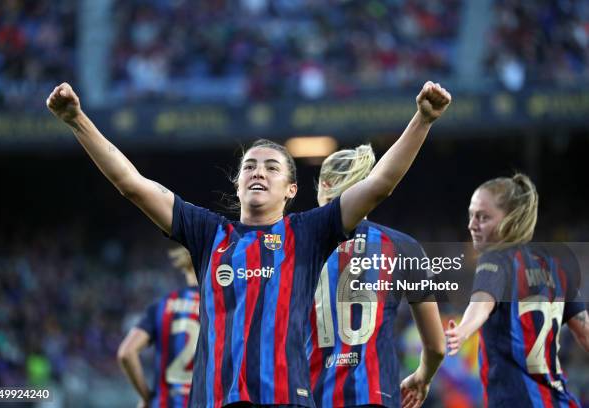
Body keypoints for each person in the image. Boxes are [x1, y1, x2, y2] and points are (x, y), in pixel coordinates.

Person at [46, 80, 451, 407]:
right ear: (237, 184)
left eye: (272, 167)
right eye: (249, 167)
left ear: (291, 188)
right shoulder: (208, 234)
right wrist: (77, 119)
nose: (258, 172)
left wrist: (423, 119)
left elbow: (380, 185)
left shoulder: (307, 233)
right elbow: (131, 184)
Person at [306, 145, 445, 408]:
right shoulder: (406, 246)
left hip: (311, 397)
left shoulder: (294, 244)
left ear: (324, 184)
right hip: (376, 396)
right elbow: (437, 346)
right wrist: (422, 377)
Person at [446, 174, 589, 407]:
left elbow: (482, 304)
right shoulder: (557, 264)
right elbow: (585, 334)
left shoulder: (496, 260)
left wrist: (463, 330)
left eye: (482, 217)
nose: (471, 224)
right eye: (471, 215)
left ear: (510, 219)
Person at [118, 246, 200, 408]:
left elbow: (126, 353)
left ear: (184, 267)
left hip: (165, 402)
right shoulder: (220, 306)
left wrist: (147, 397)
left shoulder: (162, 306)